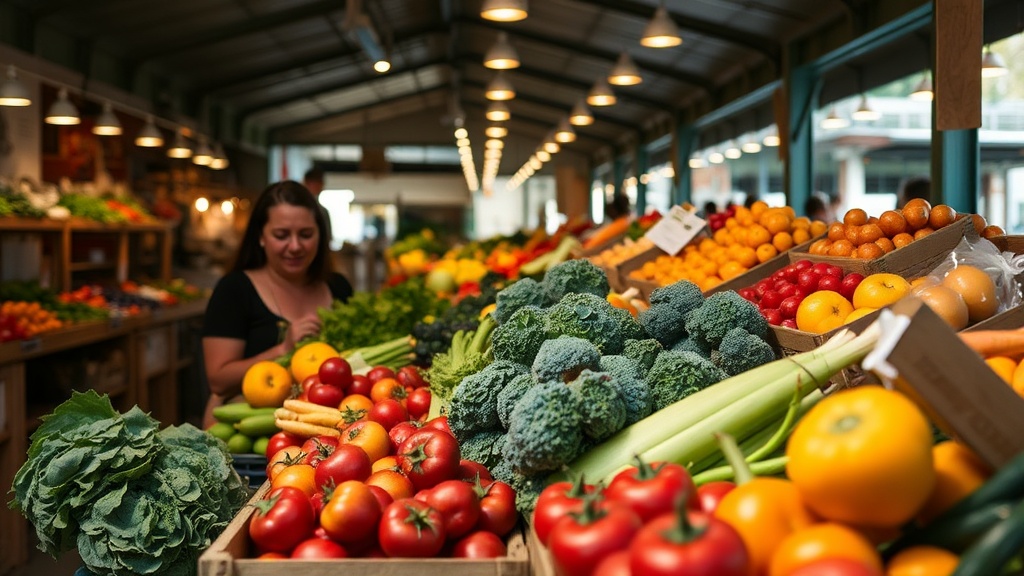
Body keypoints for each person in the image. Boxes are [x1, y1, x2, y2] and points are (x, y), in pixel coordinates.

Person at [201, 180, 353, 427]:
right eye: (281, 235)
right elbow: (218, 380)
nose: (295, 246)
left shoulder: (338, 287)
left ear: (320, 235)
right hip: (247, 430)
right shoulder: (235, 289)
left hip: (325, 429)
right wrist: (283, 349)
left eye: (306, 235)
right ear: (261, 236)